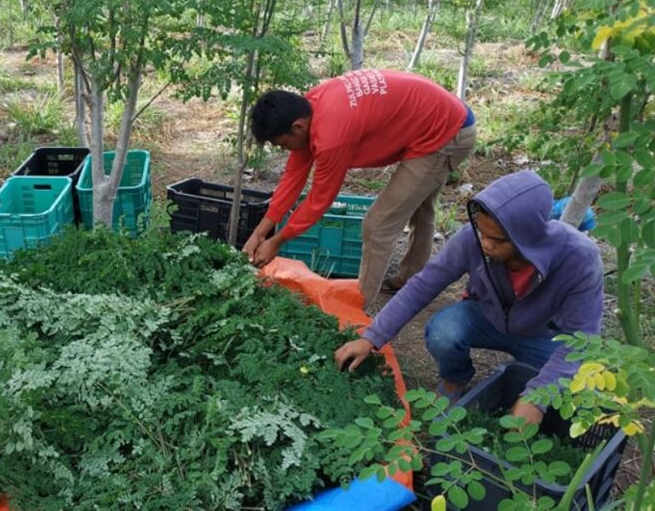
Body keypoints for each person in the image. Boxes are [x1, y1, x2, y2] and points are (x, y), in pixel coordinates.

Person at [333, 171, 604, 424]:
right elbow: (423, 285)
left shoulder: (579, 259)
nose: (485, 244)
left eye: (496, 240)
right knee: (444, 332)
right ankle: (454, 381)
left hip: (543, 335)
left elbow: (581, 341)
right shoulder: (472, 239)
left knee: (577, 391)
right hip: (486, 318)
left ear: (526, 238)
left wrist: (537, 397)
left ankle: (523, 384)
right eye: (482, 233)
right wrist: (372, 337)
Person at [243, 69, 477, 309]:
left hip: (446, 134)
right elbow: (293, 177)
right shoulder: (309, 107)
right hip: (441, 115)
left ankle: (356, 310)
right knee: (418, 204)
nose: (285, 150)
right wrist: (261, 232)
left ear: (298, 127)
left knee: (377, 226)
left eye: (283, 144)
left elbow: (318, 200)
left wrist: (278, 241)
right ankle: (412, 281)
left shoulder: (332, 135)